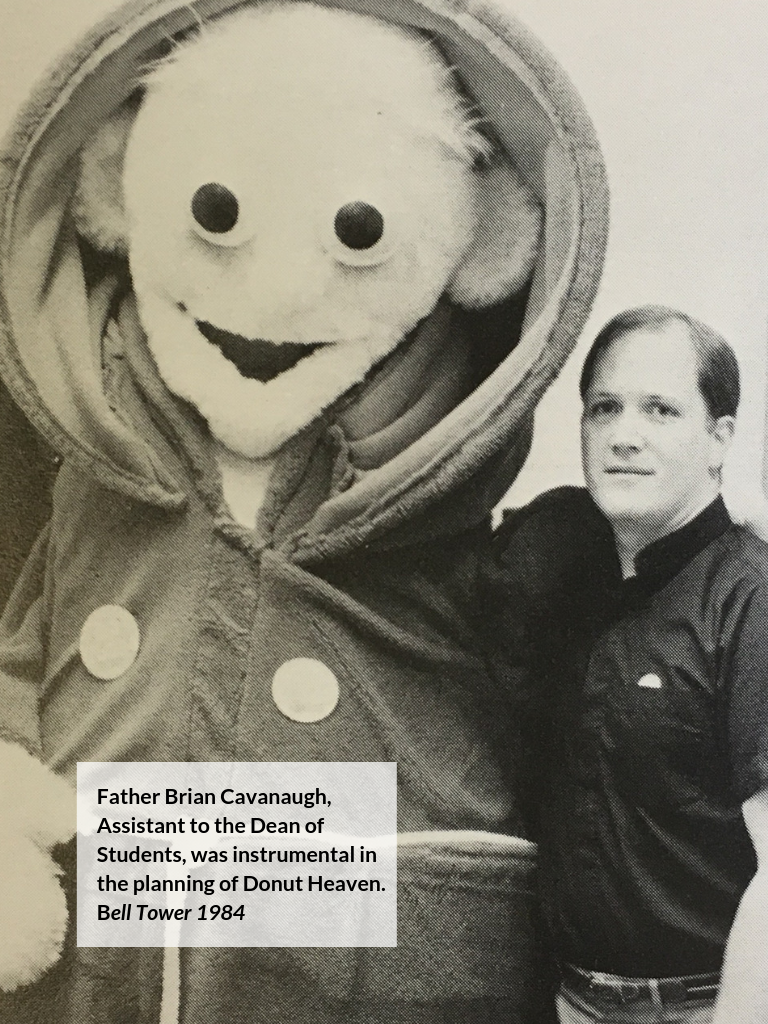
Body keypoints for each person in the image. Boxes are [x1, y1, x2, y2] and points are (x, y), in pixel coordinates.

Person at [492, 306, 768, 1024]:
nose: (624, 435)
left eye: (661, 410)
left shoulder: (751, 599)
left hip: (703, 1006)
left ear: (720, 438)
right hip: (565, 1001)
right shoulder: (558, 563)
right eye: (604, 408)